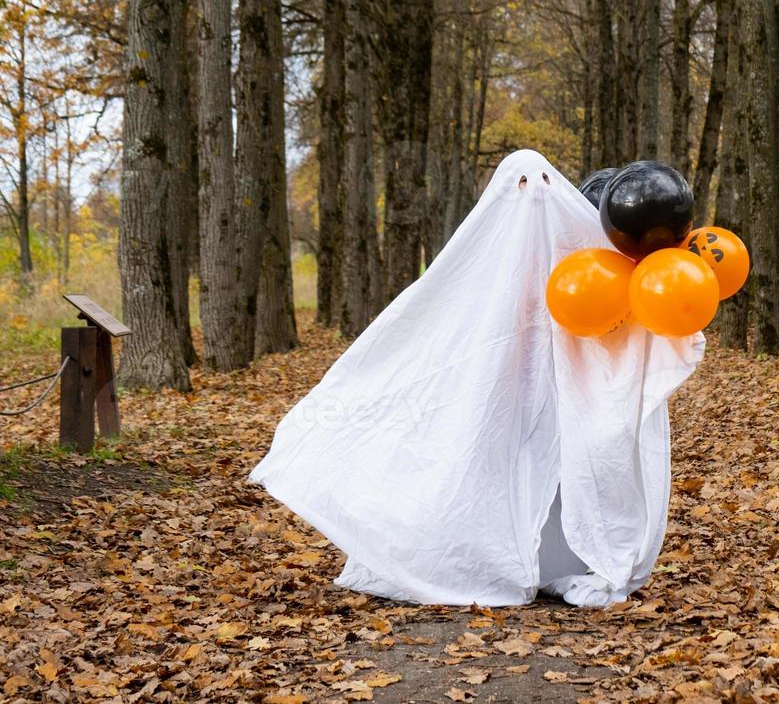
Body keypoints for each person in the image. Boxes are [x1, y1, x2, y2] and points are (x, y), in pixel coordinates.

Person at [249, 150, 705, 606]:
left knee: (560, 465)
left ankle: (561, 560)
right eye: (524, 187)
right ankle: (511, 556)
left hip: (566, 393)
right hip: (501, 393)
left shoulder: (585, 260)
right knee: (500, 465)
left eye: (543, 185)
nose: (535, 199)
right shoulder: (485, 259)